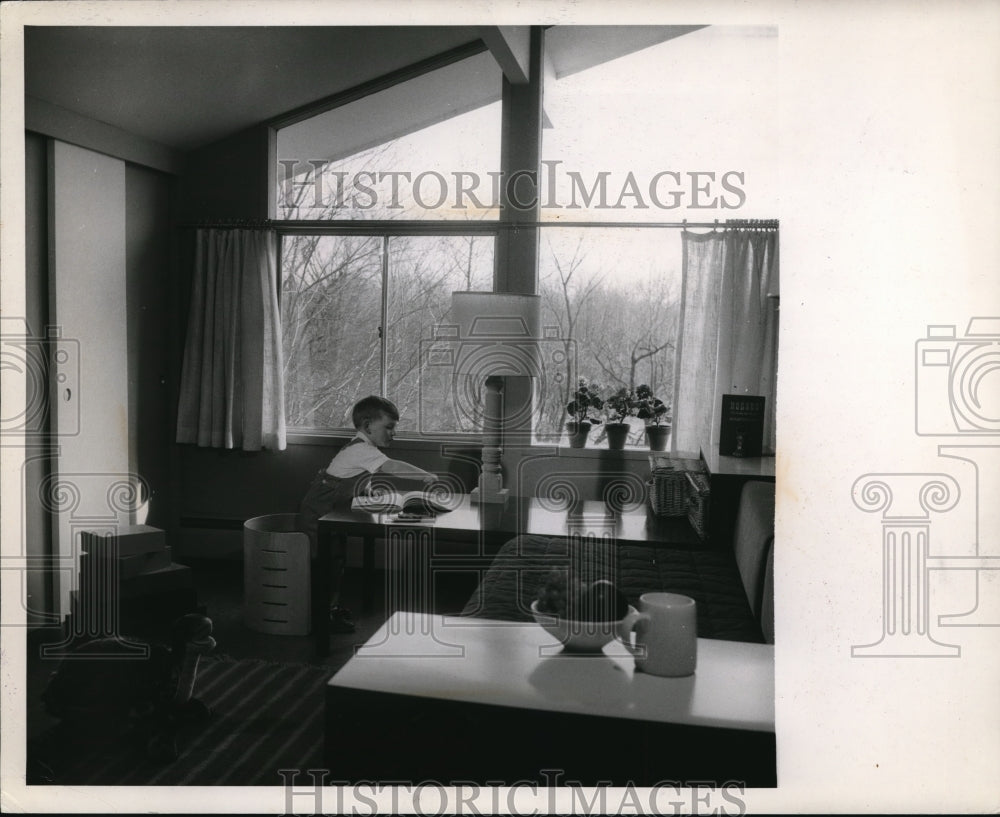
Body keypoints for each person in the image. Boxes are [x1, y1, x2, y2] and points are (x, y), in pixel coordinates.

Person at [299, 396, 436, 634]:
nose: (394, 433)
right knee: (325, 566)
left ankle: (329, 608)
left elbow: (356, 479)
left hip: (331, 514)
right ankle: (320, 615)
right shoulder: (361, 449)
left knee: (336, 563)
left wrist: (371, 494)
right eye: (389, 427)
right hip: (318, 516)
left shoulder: (361, 447)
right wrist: (424, 475)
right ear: (367, 425)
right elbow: (390, 467)